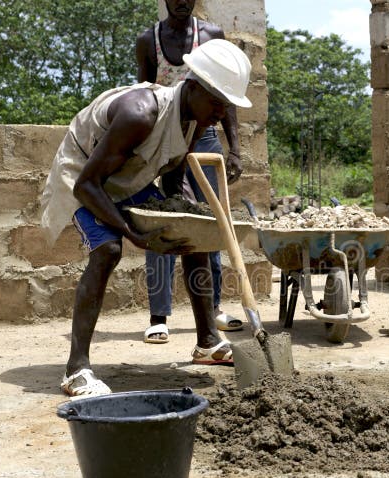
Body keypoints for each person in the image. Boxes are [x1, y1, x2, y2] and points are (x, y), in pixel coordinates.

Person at [40, 39, 253, 396]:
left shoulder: (197, 118)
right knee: (108, 249)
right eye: (217, 101)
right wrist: (130, 232)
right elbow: (87, 185)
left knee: (194, 235)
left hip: (130, 173)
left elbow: (172, 168)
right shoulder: (141, 113)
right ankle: (76, 369)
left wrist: (181, 211)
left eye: (226, 104)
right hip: (82, 174)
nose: (221, 112)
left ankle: (207, 342)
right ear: (194, 85)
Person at [135, 0, 244, 345]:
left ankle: (211, 309)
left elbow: (223, 96)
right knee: (162, 217)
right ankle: (159, 315)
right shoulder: (148, 40)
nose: (182, 1)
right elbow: (144, 92)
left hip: (205, 134)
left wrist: (236, 148)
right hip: (164, 134)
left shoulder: (210, 35)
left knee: (210, 220)